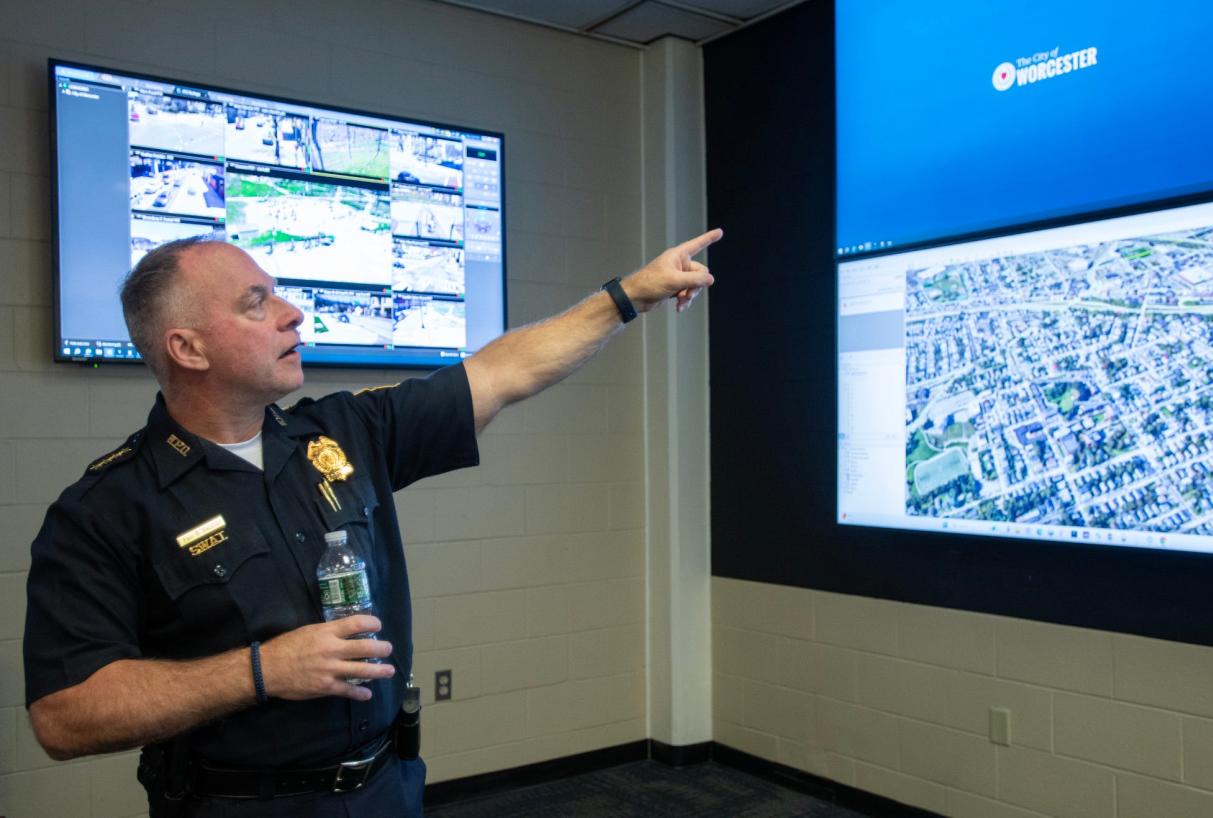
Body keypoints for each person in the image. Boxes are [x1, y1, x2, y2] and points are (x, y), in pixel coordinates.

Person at [22, 228, 721, 817]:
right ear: (189, 349)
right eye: (257, 303)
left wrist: (632, 294)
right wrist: (260, 671)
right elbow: (63, 715)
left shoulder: (347, 433)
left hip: (386, 789)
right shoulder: (106, 509)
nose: (293, 313)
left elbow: (504, 371)